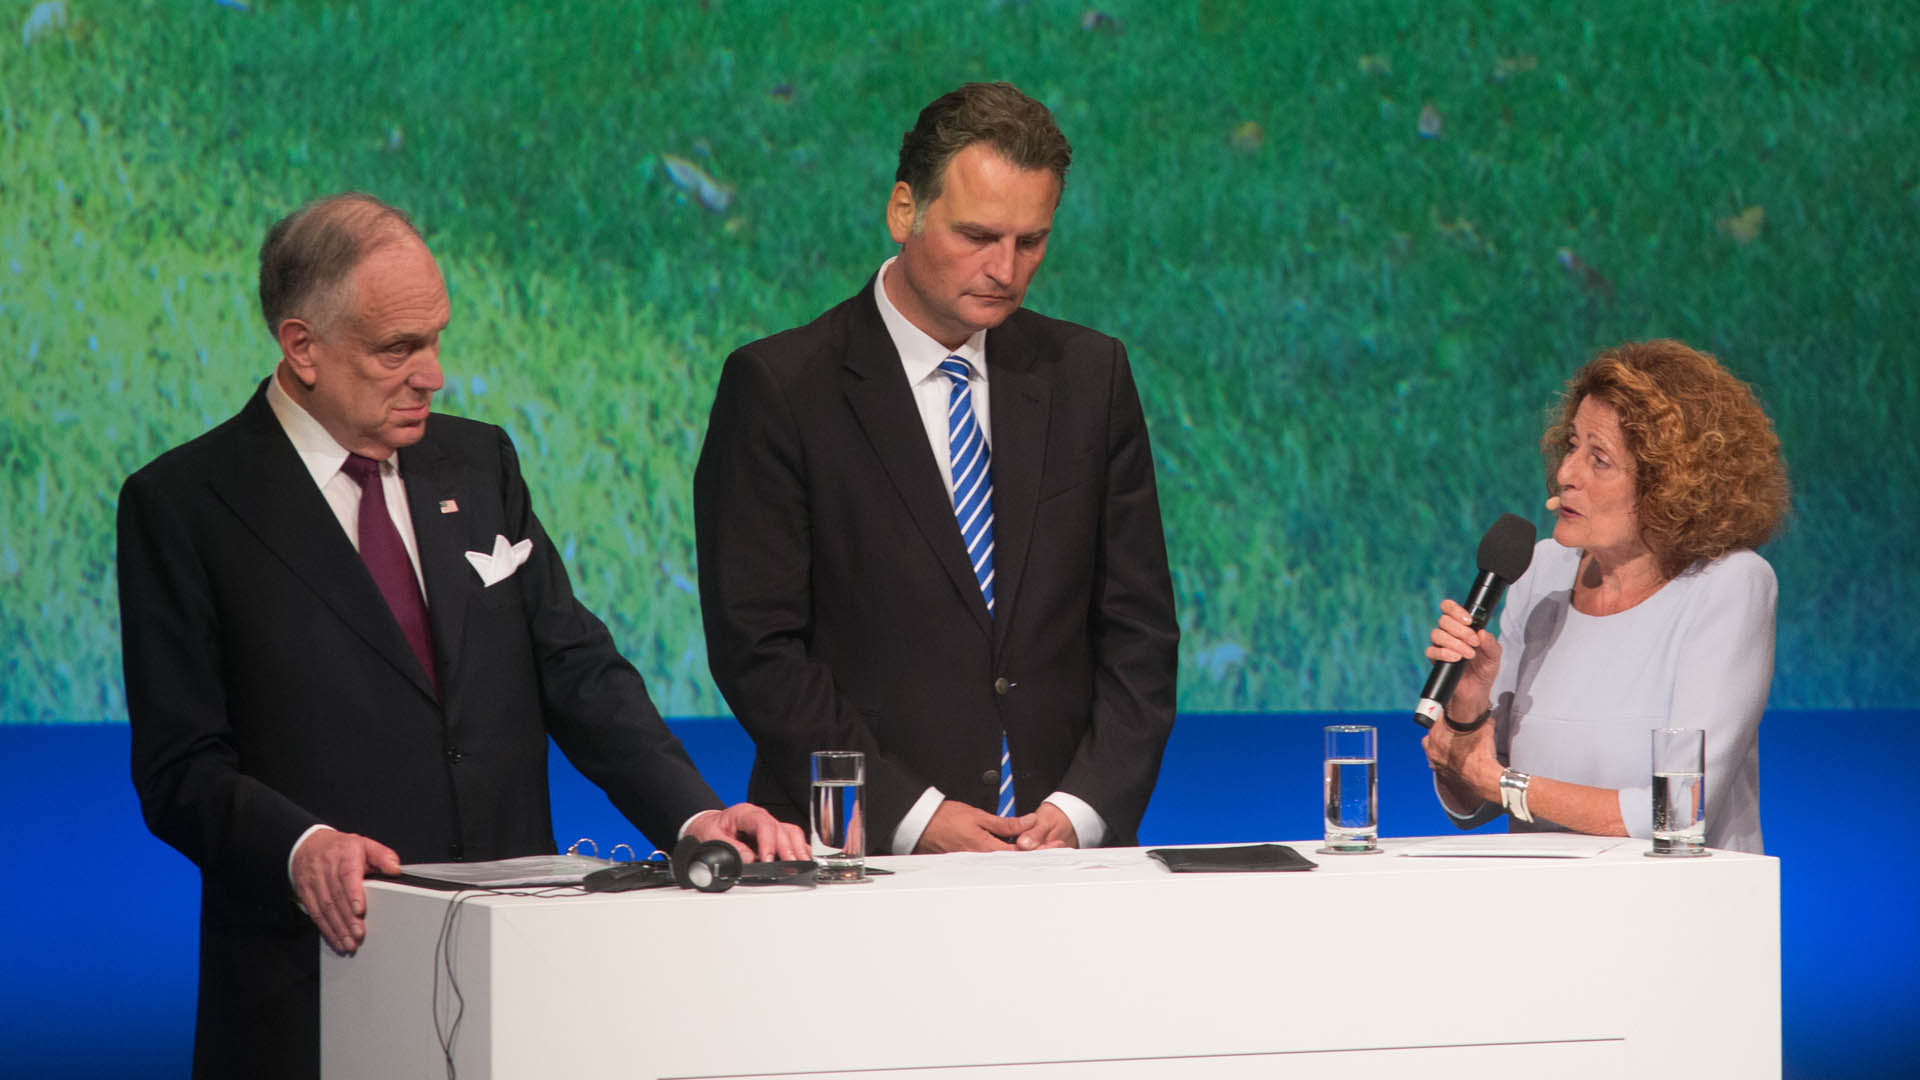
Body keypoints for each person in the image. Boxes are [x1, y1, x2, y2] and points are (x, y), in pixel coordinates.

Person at [117, 193, 806, 1080]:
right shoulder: (187, 506)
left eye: (437, 338)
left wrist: (692, 812)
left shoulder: (479, 464)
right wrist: (300, 847)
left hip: (514, 981)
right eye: (397, 349)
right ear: (302, 348)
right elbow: (181, 768)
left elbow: (576, 668)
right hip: (315, 983)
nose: (432, 374)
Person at [694, 82, 1179, 856]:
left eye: (1031, 241)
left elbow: (1139, 631)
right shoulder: (782, 390)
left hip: (1058, 859)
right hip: (858, 857)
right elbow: (759, 651)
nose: (1005, 269)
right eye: (978, 235)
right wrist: (913, 816)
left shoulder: (1090, 375)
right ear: (902, 211)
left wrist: (1084, 806)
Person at [1421, 339, 1790, 853]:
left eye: (1600, 459)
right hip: (1544, 912)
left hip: (1680, 915)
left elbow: (1678, 810)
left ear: (1669, 485)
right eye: (1572, 445)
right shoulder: (1541, 570)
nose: (1567, 473)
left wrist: (1505, 786)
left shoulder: (1729, 585)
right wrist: (1467, 712)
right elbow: (1472, 805)